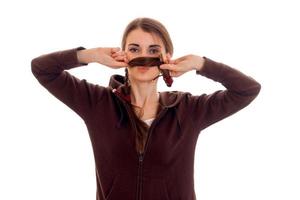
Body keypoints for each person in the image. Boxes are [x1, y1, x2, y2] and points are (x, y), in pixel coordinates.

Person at [31, 17, 261, 200]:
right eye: (134, 49)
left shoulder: (189, 110)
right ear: (123, 55)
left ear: (166, 58)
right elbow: (42, 69)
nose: (143, 56)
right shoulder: (97, 103)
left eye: (153, 50)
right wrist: (91, 55)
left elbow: (247, 89)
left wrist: (200, 64)